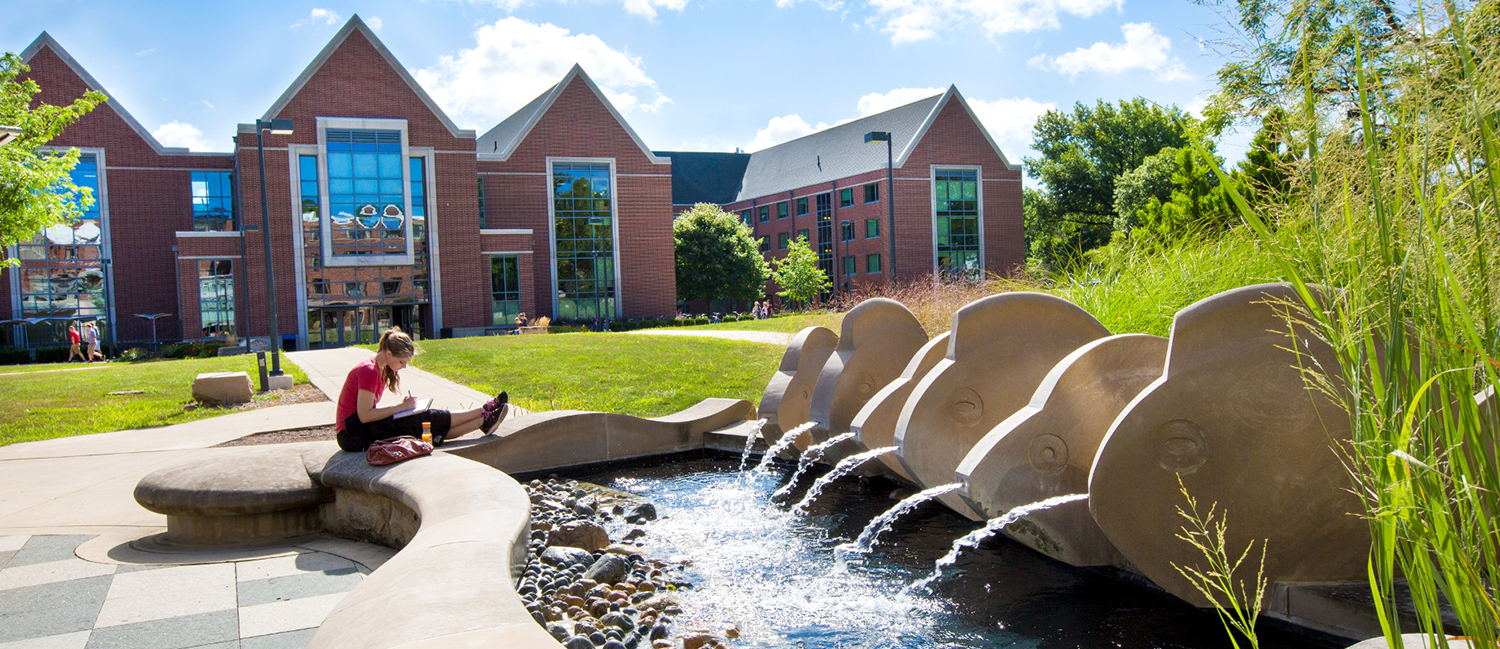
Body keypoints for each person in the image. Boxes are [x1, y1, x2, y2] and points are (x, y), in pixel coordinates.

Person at [335, 326, 509, 453]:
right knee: (423, 419)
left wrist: (402, 408)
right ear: (389, 354)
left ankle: (482, 421)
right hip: (352, 435)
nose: (403, 367)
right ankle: (482, 412)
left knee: (424, 425)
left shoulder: (378, 367)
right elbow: (364, 415)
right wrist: (401, 408)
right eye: (402, 361)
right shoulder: (369, 371)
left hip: (357, 430)